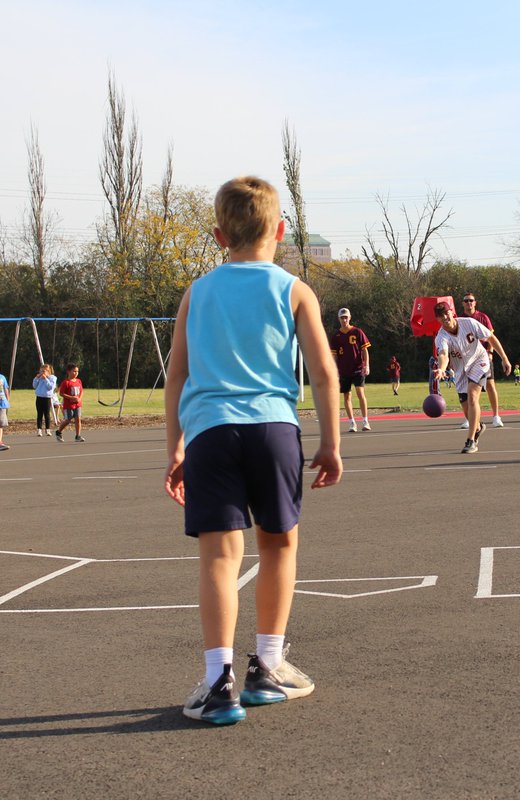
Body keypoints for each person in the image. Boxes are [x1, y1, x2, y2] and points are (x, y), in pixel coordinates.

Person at [164, 175, 341, 725]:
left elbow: (177, 374)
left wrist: (174, 447)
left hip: (212, 431)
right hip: (273, 429)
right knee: (279, 546)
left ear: (219, 235)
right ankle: (268, 665)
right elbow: (323, 372)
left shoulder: (197, 291)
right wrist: (331, 443)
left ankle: (219, 681)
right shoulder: (293, 289)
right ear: (281, 231)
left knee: (220, 556)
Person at [431, 301, 511, 454]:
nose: (445, 317)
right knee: (466, 407)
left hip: (479, 361)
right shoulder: (441, 337)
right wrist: (441, 369)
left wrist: (504, 358)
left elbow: (490, 338)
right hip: (461, 370)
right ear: (438, 319)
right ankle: (478, 427)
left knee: (473, 396)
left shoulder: (469, 323)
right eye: (441, 316)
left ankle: (471, 441)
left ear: (452, 312)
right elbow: (443, 355)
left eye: (446, 313)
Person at [458, 293, 505, 428]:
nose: (469, 303)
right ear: (463, 303)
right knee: (467, 390)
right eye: (466, 301)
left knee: (490, 385)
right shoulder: (460, 320)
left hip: (483, 357)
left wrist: (490, 352)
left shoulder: (482, 317)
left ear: (475, 303)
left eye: (471, 301)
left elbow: (491, 336)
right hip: (467, 359)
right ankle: (470, 418)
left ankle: (496, 416)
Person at [330, 308, 371, 432]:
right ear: (339, 319)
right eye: (342, 318)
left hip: (358, 367)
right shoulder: (336, 336)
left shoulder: (357, 332)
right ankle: (352, 423)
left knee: (360, 392)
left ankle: (365, 420)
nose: (344, 320)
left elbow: (365, 350)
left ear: (350, 317)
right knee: (347, 396)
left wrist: (367, 365)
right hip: (344, 370)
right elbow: (334, 355)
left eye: (346, 317)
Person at [54, 364, 85, 443]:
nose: (76, 373)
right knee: (68, 420)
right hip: (68, 405)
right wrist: (71, 397)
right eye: (74, 371)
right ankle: (58, 432)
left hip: (77, 404)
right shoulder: (66, 382)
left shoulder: (79, 381)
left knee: (78, 419)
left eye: (77, 371)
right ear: (68, 372)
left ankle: (78, 436)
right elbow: (61, 393)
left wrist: (79, 399)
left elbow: (81, 391)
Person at [33, 363, 58, 436]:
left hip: (47, 398)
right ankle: (39, 430)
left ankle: (48, 429)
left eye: (44, 371)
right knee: (39, 414)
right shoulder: (39, 378)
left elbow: (50, 387)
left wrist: (46, 379)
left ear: (49, 371)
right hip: (39, 397)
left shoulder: (52, 378)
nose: (42, 373)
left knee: (47, 414)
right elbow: (34, 386)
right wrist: (36, 378)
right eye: (41, 371)